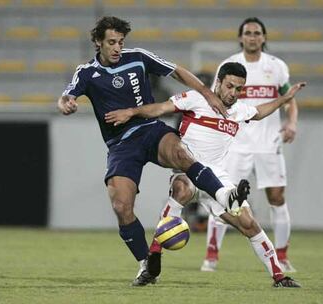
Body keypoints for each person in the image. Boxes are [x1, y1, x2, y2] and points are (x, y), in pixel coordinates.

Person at [57, 16, 247, 287]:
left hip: (150, 130)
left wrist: (207, 92)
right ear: (98, 42)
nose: (117, 48)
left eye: (120, 42)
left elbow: (178, 71)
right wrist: (66, 104)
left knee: (182, 155)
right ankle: (146, 264)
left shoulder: (138, 57)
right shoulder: (86, 72)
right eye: (111, 42)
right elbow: (66, 96)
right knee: (121, 206)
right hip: (121, 146)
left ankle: (224, 197)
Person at [105, 62, 306, 287]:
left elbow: (259, 112)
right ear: (218, 82)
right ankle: (154, 257)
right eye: (230, 86)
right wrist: (131, 112)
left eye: (238, 89)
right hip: (187, 166)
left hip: (217, 175)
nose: (233, 93)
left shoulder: (239, 110)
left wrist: (286, 98)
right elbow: (161, 108)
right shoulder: (197, 99)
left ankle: (279, 276)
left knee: (249, 224)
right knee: (182, 189)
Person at [199, 17, 300, 273]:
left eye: (257, 33)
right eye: (248, 33)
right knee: (224, 199)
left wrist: (291, 123)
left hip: (269, 143)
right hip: (237, 145)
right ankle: (211, 256)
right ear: (241, 37)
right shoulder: (229, 65)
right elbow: (215, 100)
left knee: (277, 198)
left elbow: (288, 99)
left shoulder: (276, 67)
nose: (252, 37)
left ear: (264, 37)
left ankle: (282, 256)